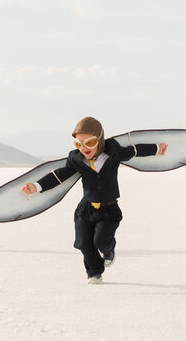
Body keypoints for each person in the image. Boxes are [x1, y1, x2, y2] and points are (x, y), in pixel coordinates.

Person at [21, 117, 168, 283]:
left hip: (109, 208)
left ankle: (109, 249)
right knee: (83, 243)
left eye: (89, 143)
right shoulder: (76, 159)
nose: (84, 148)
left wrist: (157, 148)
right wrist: (36, 186)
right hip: (86, 209)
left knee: (101, 241)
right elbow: (60, 175)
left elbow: (134, 150)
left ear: (99, 139)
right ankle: (94, 271)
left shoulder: (113, 152)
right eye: (79, 143)